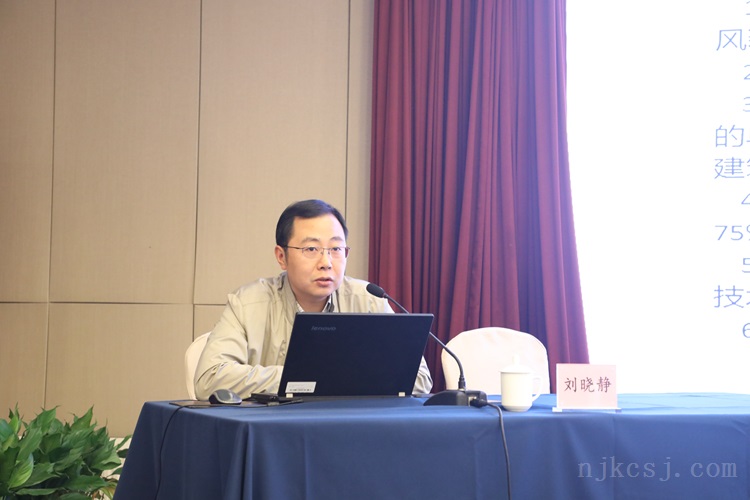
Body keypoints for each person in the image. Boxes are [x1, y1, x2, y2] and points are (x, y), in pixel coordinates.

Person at [194, 199, 433, 400]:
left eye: (336, 249)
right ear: (281, 256)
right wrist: (301, 377)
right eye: (311, 249)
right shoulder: (247, 304)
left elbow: (420, 379)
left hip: (352, 429)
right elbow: (209, 379)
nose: (326, 262)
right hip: (275, 431)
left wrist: (326, 378)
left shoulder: (369, 300)